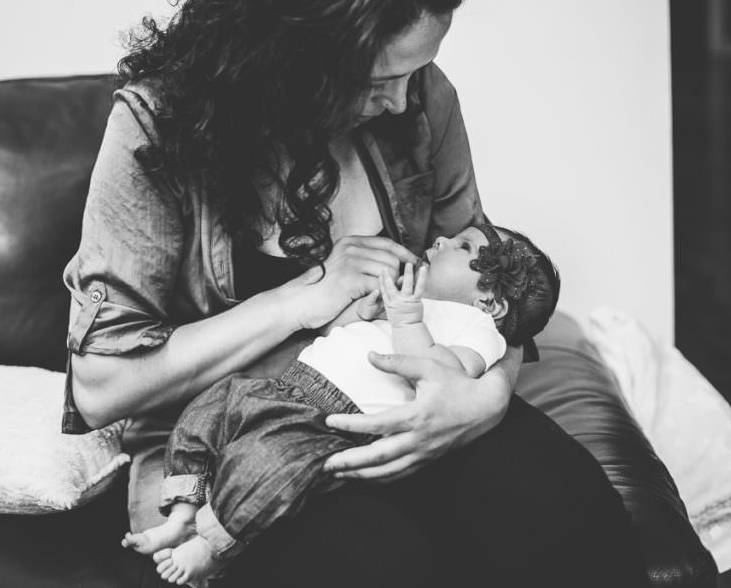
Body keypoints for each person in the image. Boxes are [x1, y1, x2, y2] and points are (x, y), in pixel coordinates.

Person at [62, 0, 648, 585]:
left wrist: (479, 401)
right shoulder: (155, 129)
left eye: (415, 73)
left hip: (400, 407)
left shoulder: (423, 102)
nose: (404, 103)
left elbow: (497, 292)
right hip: (239, 442)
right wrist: (304, 298)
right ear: (291, 49)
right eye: (378, 81)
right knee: (378, 566)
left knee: (571, 516)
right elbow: (102, 385)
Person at [124, 224, 560, 586]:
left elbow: (438, 372)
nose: (443, 240)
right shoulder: (414, 300)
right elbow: (339, 336)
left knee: (266, 465)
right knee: (205, 411)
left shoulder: (478, 329)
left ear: (492, 302)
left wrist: (407, 317)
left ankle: (214, 541)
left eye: (463, 247)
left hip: (331, 420)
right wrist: (364, 314)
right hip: (289, 385)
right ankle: (182, 509)